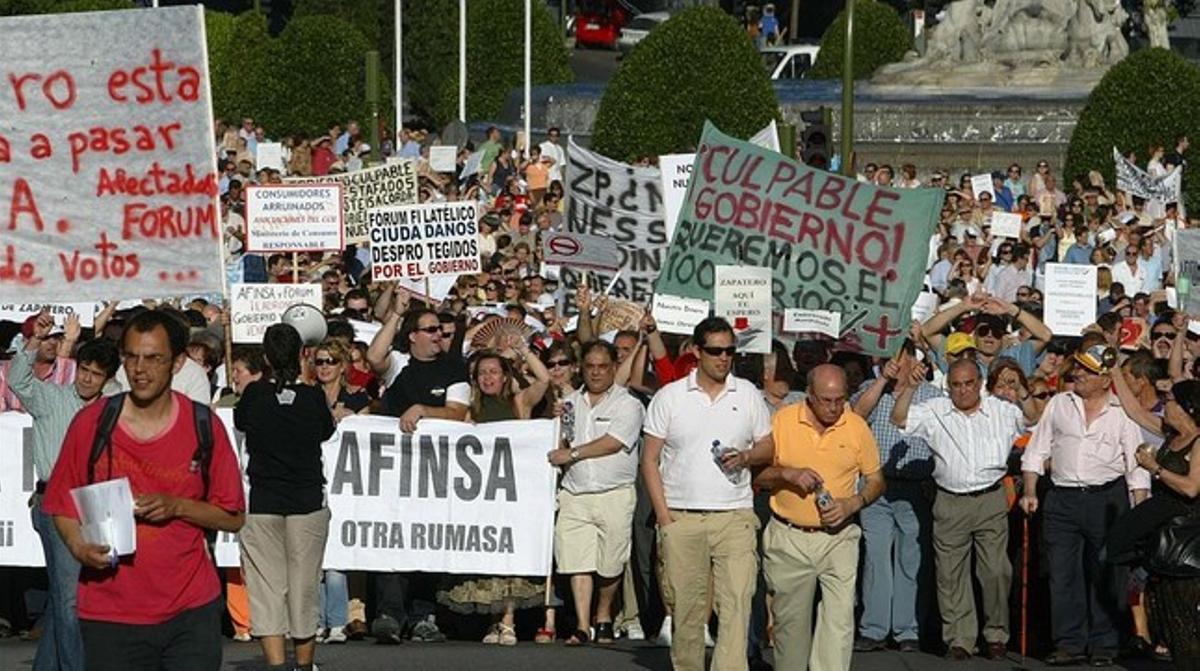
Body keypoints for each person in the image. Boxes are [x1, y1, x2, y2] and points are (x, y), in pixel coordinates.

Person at [42, 310, 246, 671]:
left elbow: (233, 516)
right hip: (110, 613)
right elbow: (61, 503)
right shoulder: (92, 422)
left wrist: (177, 506)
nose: (140, 369)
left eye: (153, 358)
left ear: (178, 362)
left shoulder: (204, 425)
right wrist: (78, 546)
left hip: (190, 610)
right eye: (131, 356)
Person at [642, 317, 775, 671]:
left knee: (737, 603)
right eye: (715, 351)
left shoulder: (747, 394)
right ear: (697, 351)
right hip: (682, 517)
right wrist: (665, 519)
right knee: (687, 610)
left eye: (730, 351)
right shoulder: (669, 397)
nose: (724, 358)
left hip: (735, 516)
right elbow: (650, 460)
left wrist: (747, 456)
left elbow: (768, 445)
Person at [1019, 344, 1151, 667]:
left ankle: (1105, 644)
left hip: (1107, 498)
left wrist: (1139, 515)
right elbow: (1036, 450)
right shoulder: (1059, 404)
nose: (1077, 373)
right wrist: (1031, 489)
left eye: (1087, 370)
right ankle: (1069, 642)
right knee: (1062, 573)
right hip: (1062, 499)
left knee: (1106, 573)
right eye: (1077, 367)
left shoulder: (1122, 412)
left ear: (1106, 379)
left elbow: (1136, 468)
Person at [892, 357, 1028, 661]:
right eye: (956, 385)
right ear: (948, 387)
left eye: (969, 383)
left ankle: (996, 632)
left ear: (979, 383)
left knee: (995, 571)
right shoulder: (936, 409)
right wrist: (911, 388)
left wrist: (1025, 393)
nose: (963, 390)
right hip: (950, 500)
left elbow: (1032, 418)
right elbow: (899, 419)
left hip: (990, 498)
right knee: (951, 575)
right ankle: (959, 638)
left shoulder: (1000, 409)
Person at [755, 364, 884, 670]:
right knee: (791, 627)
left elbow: (877, 480)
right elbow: (759, 474)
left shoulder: (855, 426)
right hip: (790, 537)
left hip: (839, 538)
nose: (834, 407)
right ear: (809, 395)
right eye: (826, 400)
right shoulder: (783, 420)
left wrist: (854, 502)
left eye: (840, 399)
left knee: (839, 624)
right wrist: (788, 474)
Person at [9, 311, 119, 671]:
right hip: (56, 504)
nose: (86, 379)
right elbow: (19, 380)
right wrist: (34, 342)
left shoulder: (112, 407)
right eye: (84, 370)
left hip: (98, 505)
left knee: (65, 597)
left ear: (106, 378)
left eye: (95, 374)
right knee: (70, 599)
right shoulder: (52, 398)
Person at [366, 291, 469, 643]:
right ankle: (389, 614)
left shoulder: (455, 368)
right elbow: (373, 356)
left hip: (435, 474)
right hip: (394, 471)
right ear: (413, 335)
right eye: (430, 330)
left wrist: (425, 410)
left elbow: (457, 412)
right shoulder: (399, 363)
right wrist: (395, 314)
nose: (439, 335)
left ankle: (423, 615)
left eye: (440, 330)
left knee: (428, 538)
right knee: (392, 539)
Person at [235, 324, 335, 671]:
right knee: (303, 587)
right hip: (305, 502)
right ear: (302, 354)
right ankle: (304, 667)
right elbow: (326, 430)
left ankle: (277, 666)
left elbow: (242, 426)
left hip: (264, 502)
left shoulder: (253, 395)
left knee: (267, 590)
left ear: (265, 357)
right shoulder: (312, 396)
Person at [436, 345, 550, 644]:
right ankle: (492, 620)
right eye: (482, 373)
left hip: (515, 494)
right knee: (489, 558)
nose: (488, 378)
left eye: (494, 372)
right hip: (483, 497)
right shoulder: (470, 412)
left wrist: (523, 350)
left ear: (504, 376)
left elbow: (543, 380)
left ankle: (508, 620)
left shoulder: (519, 403)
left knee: (511, 557)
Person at [546, 341, 645, 646]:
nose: (596, 372)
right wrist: (556, 423)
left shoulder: (628, 404)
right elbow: (560, 444)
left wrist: (572, 454)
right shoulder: (570, 402)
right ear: (581, 368)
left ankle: (604, 613)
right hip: (576, 492)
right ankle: (583, 623)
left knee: (610, 562)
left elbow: (613, 442)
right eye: (590, 366)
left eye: (603, 366)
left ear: (614, 367)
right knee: (576, 559)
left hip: (614, 492)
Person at [850, 340, 942, 653]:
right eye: (884, 357)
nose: (889, 362)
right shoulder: (870, 388)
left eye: (896, 357)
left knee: (910, 559)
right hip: (877, 487)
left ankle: (908, 630)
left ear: (912, 359)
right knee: (876, 558)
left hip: (916, 486)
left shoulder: (932, 395)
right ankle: (874, 629)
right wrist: (882, 381)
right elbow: (856, 415)